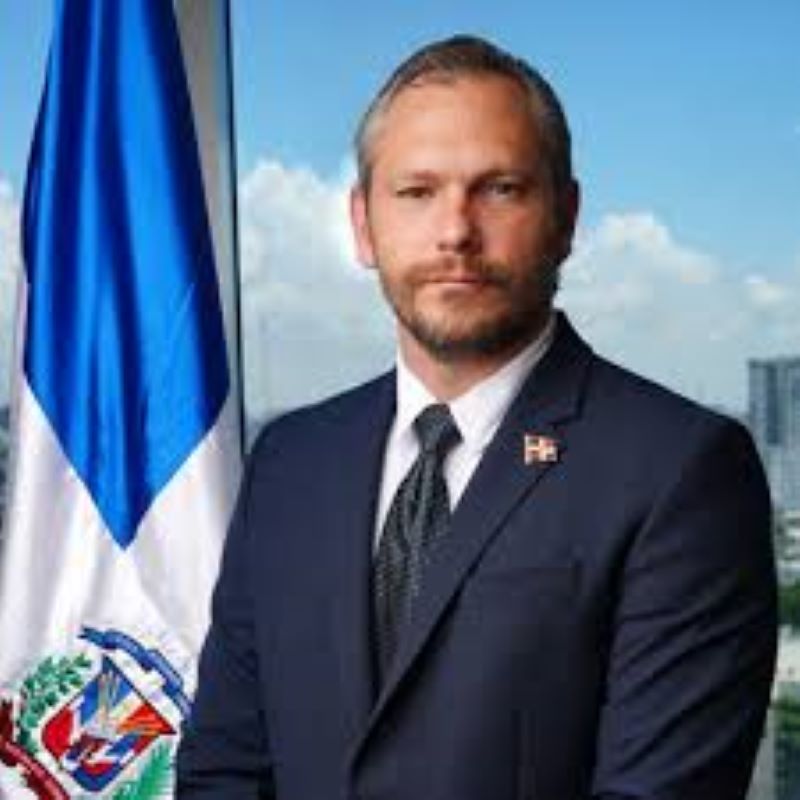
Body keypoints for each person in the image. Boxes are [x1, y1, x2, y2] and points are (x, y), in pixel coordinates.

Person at [176, 35, 777, 799]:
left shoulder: (679, 469)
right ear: (363, 224)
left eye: (500, 189)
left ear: (566, 216)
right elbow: (223, 771)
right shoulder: (291, 461)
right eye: (416, 192)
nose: (455, 231)